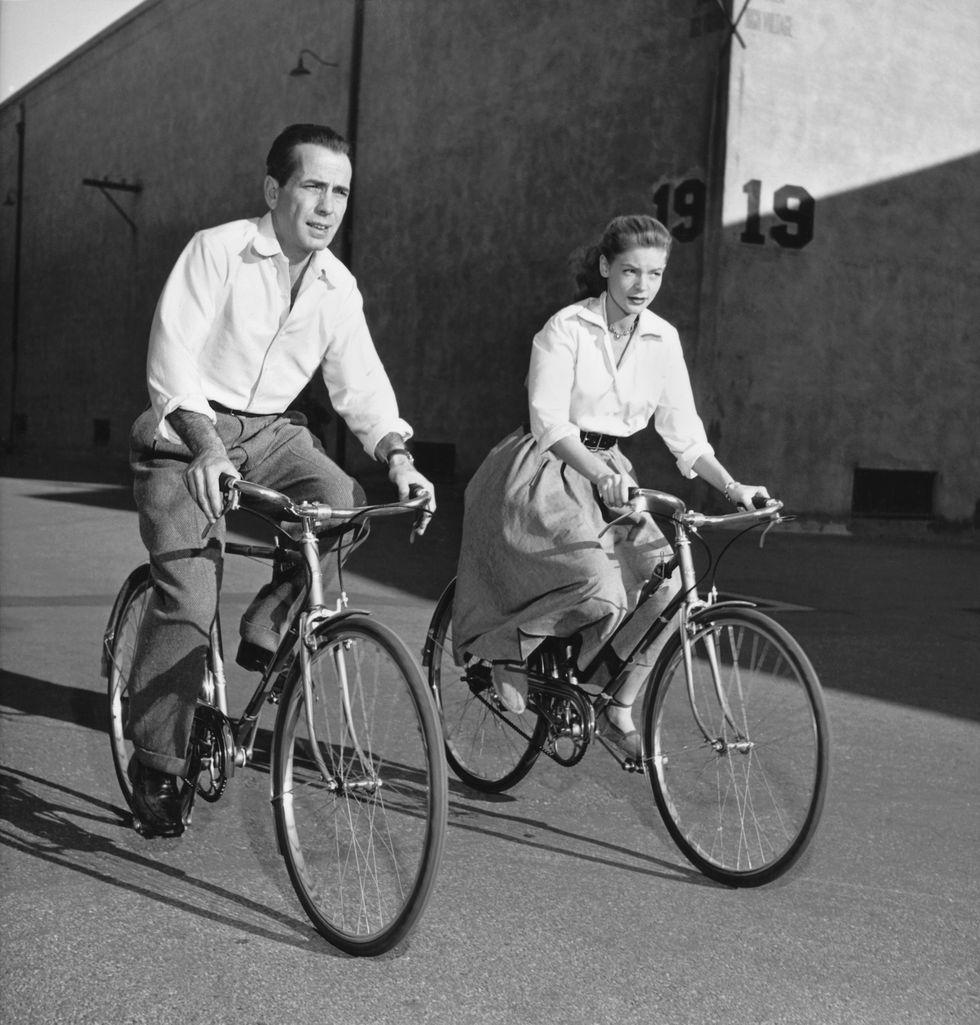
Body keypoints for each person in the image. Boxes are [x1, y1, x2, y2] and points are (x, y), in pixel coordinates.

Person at [126, 123, 434, 835]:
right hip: (186, 431)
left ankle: (269, 624)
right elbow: (170, 358)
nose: (328, 205)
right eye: (313, 186)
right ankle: (157, 760)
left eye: (341, 192)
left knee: (343, 506)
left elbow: (361, 385)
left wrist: (398, 456)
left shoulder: (336, 285)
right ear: (275, 189)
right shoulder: (218, 249)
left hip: (273, 432)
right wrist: (205, 445)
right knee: (187, 592)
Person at [453, 214, 767, 759]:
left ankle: (614, 701)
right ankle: (507, 650)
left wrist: (733, 486)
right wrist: (600, 475)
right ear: (605, 268)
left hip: (612, 472)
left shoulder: (662, 338)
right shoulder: (565, 328)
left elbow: (685, 434)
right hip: (545, 467)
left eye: (655, 274)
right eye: (629, 271)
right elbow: (550, 423)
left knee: (667, 583)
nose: (642, 286)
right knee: (595, 579)